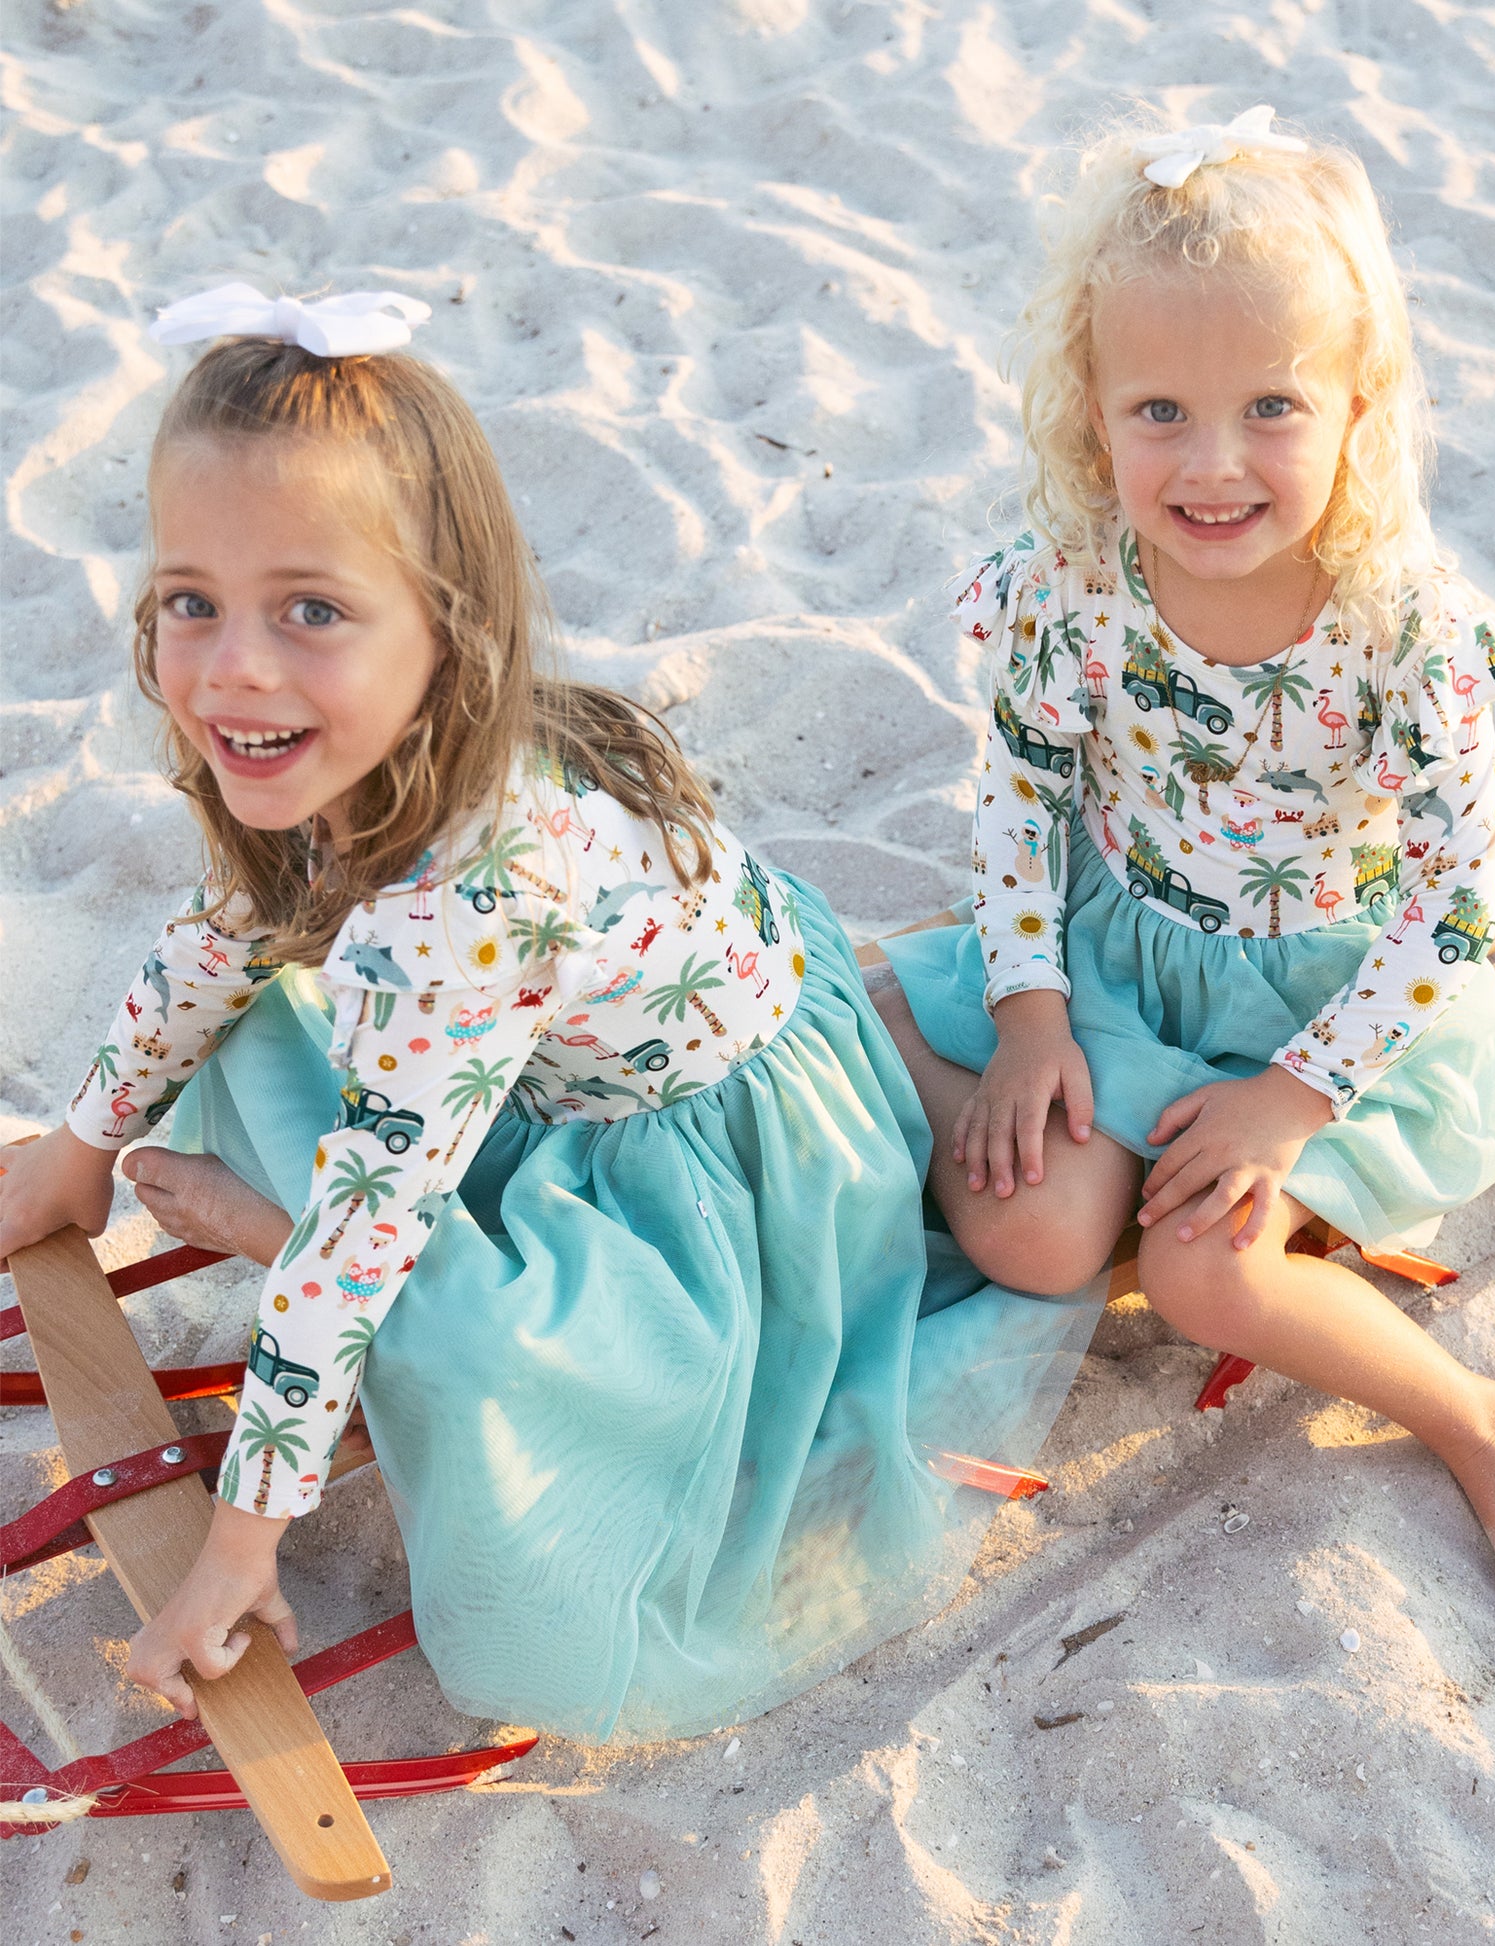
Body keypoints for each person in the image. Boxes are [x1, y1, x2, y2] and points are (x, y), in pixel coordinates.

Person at [0, 289, 1098, 1740]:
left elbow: (361, 1234)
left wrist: (245, 1539)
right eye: (191, 599)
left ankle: (296, 1231)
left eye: (310, 609)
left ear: (444, 632)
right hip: (535, 1072)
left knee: (470, 1389)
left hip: (717, 1169)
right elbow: (230, 928)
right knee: (240, 1019)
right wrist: (82, 1140)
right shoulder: (343, 746)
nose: (233, 666)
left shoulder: (475, 893)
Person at [875, 110, 1495, 1623]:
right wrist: (1025, 1017)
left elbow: (1454, 894)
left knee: (1210, 1273)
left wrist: (1299, 1093)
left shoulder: (1397, 622)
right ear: (1091, 414)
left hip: (1320, 1000)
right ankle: (902, 1025)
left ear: (1357, 404)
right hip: (1117, 957)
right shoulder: (1069, 585)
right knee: (1034, 1231)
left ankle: (1478, 1423)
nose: (1211, 466)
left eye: (1269, 407)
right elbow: (1018, 798)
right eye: (1158, 411)